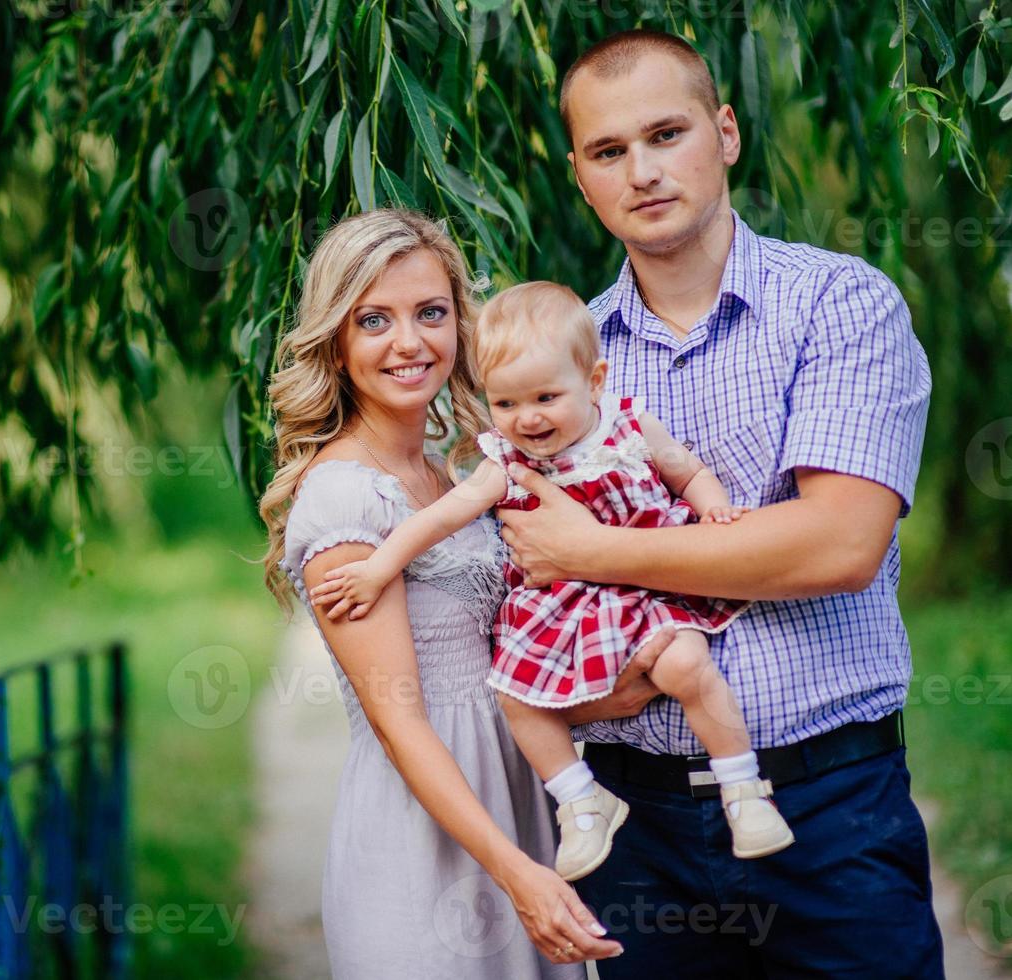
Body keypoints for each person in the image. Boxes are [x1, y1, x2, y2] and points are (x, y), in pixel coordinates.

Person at [495, 28, 943, 975]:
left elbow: (837, 545)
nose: (643, 171)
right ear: (578, 176)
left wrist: (593, 551)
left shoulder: (840, 305)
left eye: (667, 134)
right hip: (634, 827)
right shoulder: (553, 367)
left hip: (827, 811)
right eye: (609, 151)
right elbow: (524, 583)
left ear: (725, 132)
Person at [261, 208, 674, 972]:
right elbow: (400, 723)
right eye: (373, 320)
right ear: (337, 340)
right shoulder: (342, 499)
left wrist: (602, 696)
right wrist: (516, 874)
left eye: (430, 312)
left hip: (517, 813)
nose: (408, 342)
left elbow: (492, 670)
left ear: (460, 324)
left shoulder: (454, 476)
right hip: (424, 851)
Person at [310, 281, 795, 884]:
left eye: (545, 397)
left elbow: (686, 471)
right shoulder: (505, 463)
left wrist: (715, 509)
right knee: (518, 696)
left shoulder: (627, 428)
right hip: (560, 608)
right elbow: (439, 518)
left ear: (593, 382)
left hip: (642, 589)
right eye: (507, 404)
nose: (529, 419)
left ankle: (743, 787)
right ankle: (579, 800)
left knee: (686, 666)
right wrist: (379, 567)